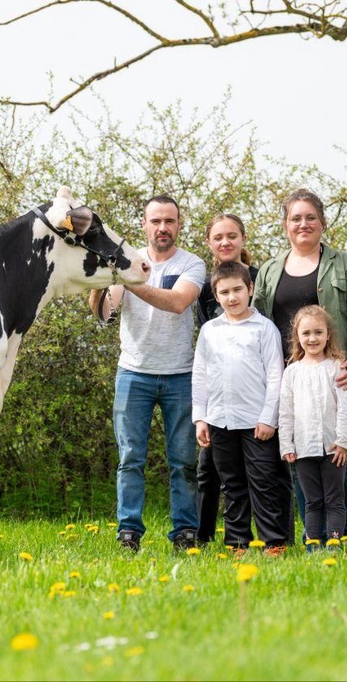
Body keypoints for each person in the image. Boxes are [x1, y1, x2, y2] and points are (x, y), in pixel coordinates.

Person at [253, 188, 347, 545]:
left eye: (311, 217)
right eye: (296, 218)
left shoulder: (346, 264)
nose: (303, 224)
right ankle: (317, 537)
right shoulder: (268, 271)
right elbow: (259, 326)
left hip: (342, 379)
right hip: (294, 383)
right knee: (303, 457)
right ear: (285, 225)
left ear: (322, 222)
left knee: (346, 457)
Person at [89, 196, 206, 553]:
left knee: (184, 462)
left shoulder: (193, 263)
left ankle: (185, 533)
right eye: (155, 221)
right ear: (143, 224)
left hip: (180, 375)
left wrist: (130, 277)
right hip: (133, 373)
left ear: (179, 224)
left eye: (169, 221)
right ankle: (129, 534)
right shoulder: (129, 261)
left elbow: (177, 302)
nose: (162, 228)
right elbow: (105, 313)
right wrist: (99, 281)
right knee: (130, 458)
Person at [192, 261, 293, 555]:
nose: (232, 297)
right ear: (216, 295)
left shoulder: (264, 328)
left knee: (263, 482)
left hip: (256, 422)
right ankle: (237, 543)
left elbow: (276, 376)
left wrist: (268, 419)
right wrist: (200, 418)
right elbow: (200, 374)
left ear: (250, 289)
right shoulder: (210, 331)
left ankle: (273, 541)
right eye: (224, 292)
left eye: (238, 290)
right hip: (220, 420)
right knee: (232, 485)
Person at [195, 214, 260, 544]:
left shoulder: (259, 278)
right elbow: (205, 344)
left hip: (255, 395)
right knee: (209, 470)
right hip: (219, 399)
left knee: (263, 472)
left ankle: (273, 538)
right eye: (218, 237)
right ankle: (202, 537)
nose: (225, 242)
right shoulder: (207, 289)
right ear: (209, 243)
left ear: (243, 239)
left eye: (232, 236)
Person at [278, 305, 347, 547]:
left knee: (335, 499)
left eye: (318, 332)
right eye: (306, 333)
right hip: (303, 449)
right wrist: (286, 445)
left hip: (332, 448)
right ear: (297, 337)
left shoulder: (336, 367)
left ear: (328, 335)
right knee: (312, 501)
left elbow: (345, 408)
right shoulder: (291, 372)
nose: (312, 338)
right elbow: (286, 412)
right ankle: (313, 545)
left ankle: (333, 545)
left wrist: (343, 442)